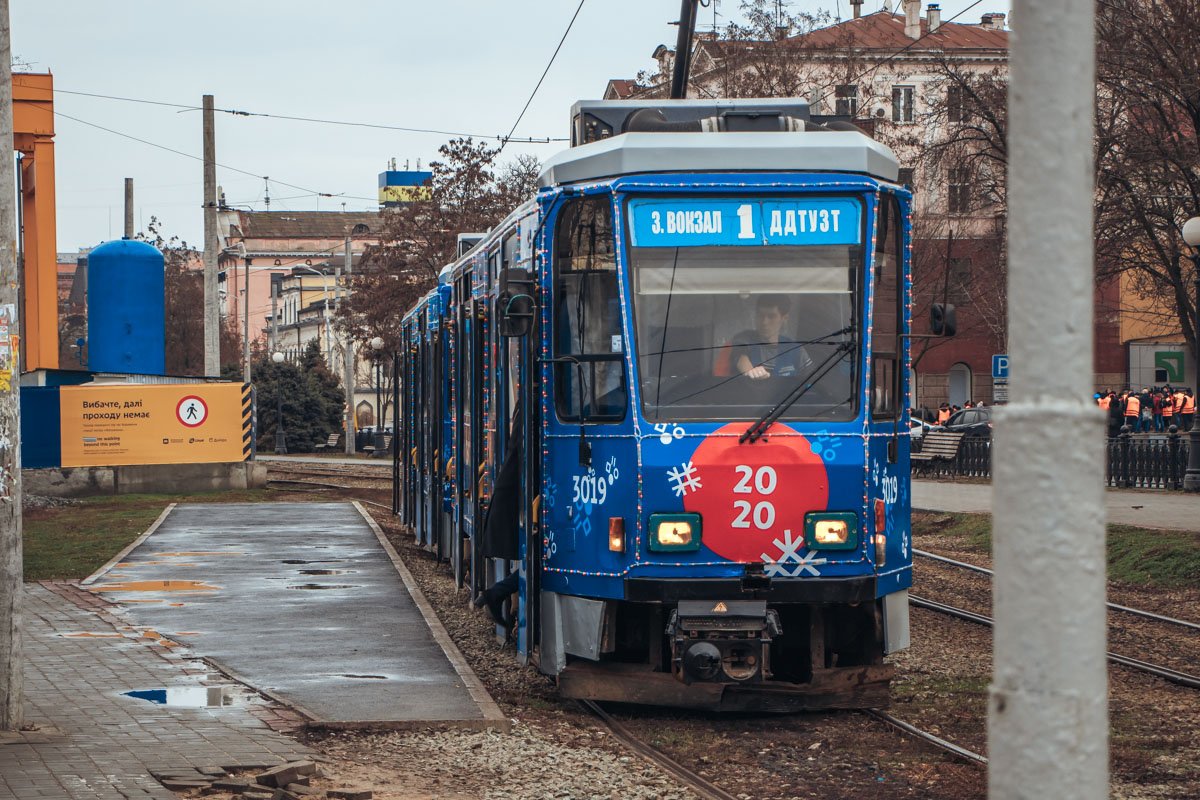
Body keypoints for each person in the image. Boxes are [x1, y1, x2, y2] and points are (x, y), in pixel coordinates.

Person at [473, 398, 523, 629]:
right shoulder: (533, 405)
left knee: (539, 561)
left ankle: (495, 595)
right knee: (544, 561)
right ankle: (495, 594)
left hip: (513, 494)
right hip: (516, 498)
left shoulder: (525, 405)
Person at [733, 295, 812, 380]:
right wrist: (752, 372)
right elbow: (741, 359)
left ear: (784, 318)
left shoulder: (796, 349)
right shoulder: (745, 339)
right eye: (760, 315)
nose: (764, 322)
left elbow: (812, 380)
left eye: (771, 316)